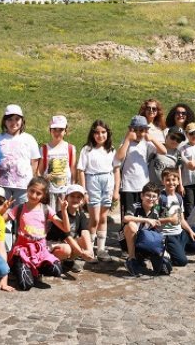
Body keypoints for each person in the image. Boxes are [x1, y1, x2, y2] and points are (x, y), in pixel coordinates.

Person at [6, 177, 69, 291]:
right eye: (32, 191)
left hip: (40, 250)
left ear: (43, 195)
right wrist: (1, 210)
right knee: (26, 286)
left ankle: (35, 269)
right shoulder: (19, 208)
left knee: (57, 270)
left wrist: (64, 211)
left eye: (38, 193)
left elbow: (65, 228)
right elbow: (0, 221)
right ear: (27, 189)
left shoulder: (46, 209)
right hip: (22, 250)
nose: (34, 195)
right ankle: (18, 268)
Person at [0, 104, 40, 250]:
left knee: (23, 217)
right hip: (3, 185)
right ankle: (7, 249)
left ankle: (22, 248)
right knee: (4, 217)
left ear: (22, 121)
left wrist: (31, 180)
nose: (13, 123)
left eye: (17, 119)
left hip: (23, 186)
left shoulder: (29, 139)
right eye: (10, 119)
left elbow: (34, 160)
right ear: (4, 121)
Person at [75, 119, 119, 262]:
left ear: (107, 133)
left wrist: (116, 190)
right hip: (92, 181)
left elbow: (116, 170)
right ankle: (89, 249)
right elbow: (81, 170)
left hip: (107, 182)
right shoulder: (87, 149)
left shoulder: (111, 149)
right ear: (92, 134)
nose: (100, 136)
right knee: (94, 218)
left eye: (103, 132)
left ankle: (101, 249)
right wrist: (84, 191)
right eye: (97, 133)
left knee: (103, 217)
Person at [115, 115, 166, 218]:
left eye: (142, 130)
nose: (138, 133)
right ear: (130, 130)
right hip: (128, 186)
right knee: (128, 214)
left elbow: (163, 151)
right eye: (135, 130)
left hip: (143, 185)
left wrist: (152, 139)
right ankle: (125, 232)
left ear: (146, 131)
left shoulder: (146, 143)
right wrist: (128, 140)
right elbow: (119, 157)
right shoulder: (126, 141)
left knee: (142, 213)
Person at [159, 168, 195, 265]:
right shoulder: (160, 198)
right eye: (167, 180)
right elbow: (154, 220)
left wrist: (191, 232)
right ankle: (169, 250)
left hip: (180, 233)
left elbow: (182, 219)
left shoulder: (178, 197)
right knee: (182, 261)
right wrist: (169, 219)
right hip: (168, 236)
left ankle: (179, 249)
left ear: (178, 181)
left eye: (174, 180)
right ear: (163, 181)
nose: (171, 183)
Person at [122, 182, 171, 277]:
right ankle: (131, 259)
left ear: (157, 198)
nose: (151, 199)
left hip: (141, 242)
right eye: (148, 195)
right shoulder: (135, 206)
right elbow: (125, 218)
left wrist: (162, 252)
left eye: (154, 196)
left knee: (162, 260)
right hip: (127, 240)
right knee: (131, 225)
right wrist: (147, 220)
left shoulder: (156, 211)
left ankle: (141, 257)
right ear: (142, 196)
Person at [46, 184, 94, 272]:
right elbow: (67, 237)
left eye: (79, 197)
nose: (75, 199)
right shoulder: (61, 214)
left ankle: (68, 262)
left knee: (84, 239)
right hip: (54, 244)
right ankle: (51, 262)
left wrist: (89, 250)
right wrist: (82, 253)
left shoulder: (81, 215)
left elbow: (85, 232)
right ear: (66, 198)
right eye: (72, 196)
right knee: (66, 249)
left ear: (82, 200)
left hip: (67, 242)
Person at [38, 115, 77, 211]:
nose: (57, 133)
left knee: (64, 215)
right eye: (54, 129)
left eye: (60, 130)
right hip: (49, 190)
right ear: (50, 130)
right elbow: (40, 170)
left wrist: (72, 187)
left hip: (65, 191)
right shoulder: (44, 149)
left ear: (65, 131)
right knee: (49, 216)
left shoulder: (70, 148)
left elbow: (73, 170)